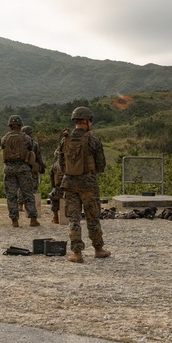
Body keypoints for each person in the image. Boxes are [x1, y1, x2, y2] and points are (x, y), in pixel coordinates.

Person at [57, 107, 110, 263]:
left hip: (69, 183)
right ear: (87, 121)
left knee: (74, 219)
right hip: (88, 184)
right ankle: (98, 249)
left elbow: (61, 165)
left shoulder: (65, 139)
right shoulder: (93, 140)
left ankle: (77, 254)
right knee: (92, 218)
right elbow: (101, 165)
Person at [1, 116, 39, 227]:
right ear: (21, 125)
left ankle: (14, 221)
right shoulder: (27, 138)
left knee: (11, 195)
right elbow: (31, 149)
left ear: (10, 126)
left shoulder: (4, 138)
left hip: (9, 169)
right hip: (23, 168)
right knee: (28, 194)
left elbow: (3, 148)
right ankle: (33, 219)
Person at [19, 125, 45, 213]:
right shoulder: (34, 144)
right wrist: (42, 166)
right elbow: (38, 157)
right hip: (32, 168)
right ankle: (31, 207)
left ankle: (20, 205)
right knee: (33, 187)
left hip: (20, 168)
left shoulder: (19, 142)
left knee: (21, 187)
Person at [48, 146, 64, 225]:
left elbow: (52, 179)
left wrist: (54, 186)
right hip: (71, 190)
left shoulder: (55, 165)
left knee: (52, 196)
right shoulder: (71, 163)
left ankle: (55, 217)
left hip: (59, 189)